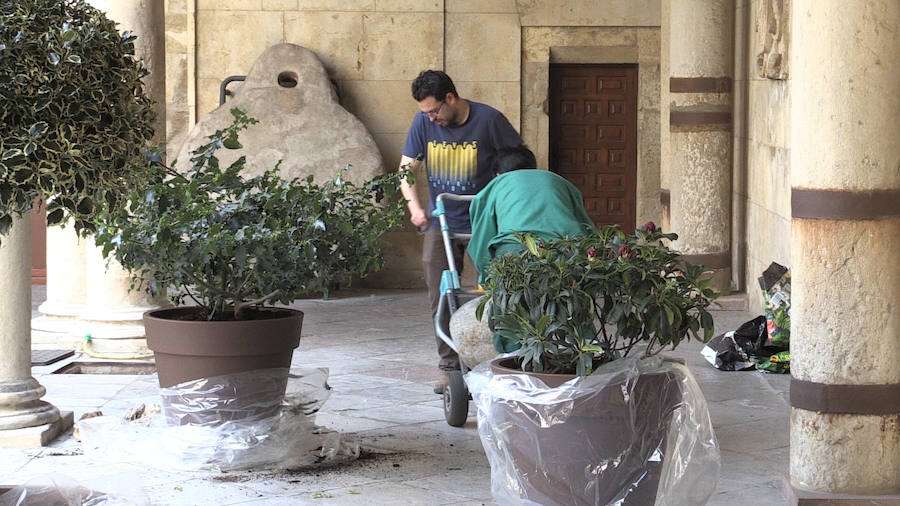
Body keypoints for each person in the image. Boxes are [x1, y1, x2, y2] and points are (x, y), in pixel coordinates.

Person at [398, 70, 523, 393]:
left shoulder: (489, 120)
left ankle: (501, 358)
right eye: (425, 112)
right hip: (442, 220)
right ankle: (450, 365)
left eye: (434, 111)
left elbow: (518, 164)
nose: (430, 118)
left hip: (485, 220)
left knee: (500, 288)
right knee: (440, 294)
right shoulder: (422, 122)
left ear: (450, 98)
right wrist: (415, 208)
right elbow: (406, 169)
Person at [467, 144, 596, 289]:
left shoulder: (498, 184)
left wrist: (487, 279)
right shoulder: (559, 181)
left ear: (497, 174)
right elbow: (587, 229)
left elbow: (482, 239)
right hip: (568, 253)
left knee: (511, 307)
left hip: (516, 253)